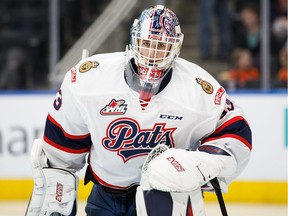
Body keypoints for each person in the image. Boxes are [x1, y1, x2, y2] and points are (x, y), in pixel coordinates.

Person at [26, 5, 252, 216]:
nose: (153, 54)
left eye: (162, 46)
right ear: (134, 40)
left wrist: (200, 164)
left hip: (168, 198)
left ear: (176, 47)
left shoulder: (199, 89)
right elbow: (60, 153)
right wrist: (55, 190)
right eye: (147, 43)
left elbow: (237, 135)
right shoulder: (90, 79)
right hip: (105, 197)